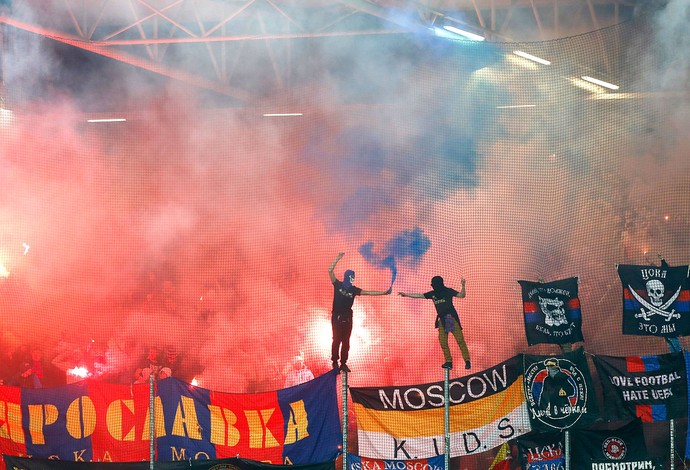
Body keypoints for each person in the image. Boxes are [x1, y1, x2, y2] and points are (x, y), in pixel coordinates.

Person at [329, 252, 391, 373]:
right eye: (352, 276)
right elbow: (330, 271)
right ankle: (335, 362)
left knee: (346, 341)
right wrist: (337, 258)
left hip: (348, 318)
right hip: (336, 317)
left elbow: (368, 292)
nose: (353, 279)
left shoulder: (354, 289)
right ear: (348, 277)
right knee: (336, 340)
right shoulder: (338, 284)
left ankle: (343, 363)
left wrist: (383, 293)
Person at [399, 276, 471, 370]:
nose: (433, 286)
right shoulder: (432, 294)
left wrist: (463, 285)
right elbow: (420, 295)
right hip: (442, 320)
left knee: (460, 340)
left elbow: (461, 295)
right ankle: (449, 361)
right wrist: (406, 294)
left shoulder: (448, 291)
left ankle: (467, 361)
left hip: (450, 318)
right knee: (443, 341)